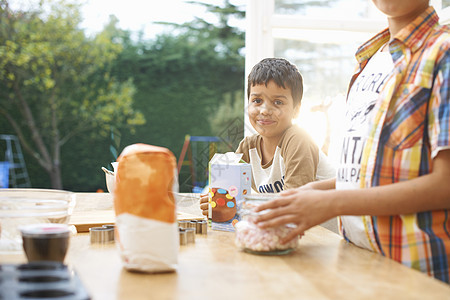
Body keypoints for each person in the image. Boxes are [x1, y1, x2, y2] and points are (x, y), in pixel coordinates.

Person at [254, 1, 450, 283]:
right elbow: (373, 173)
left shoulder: (443, 54)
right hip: (357, 262)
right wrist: (315, 190)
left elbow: (445, 184)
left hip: (419, 274)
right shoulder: (370, 61)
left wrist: (333, 202)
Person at [200, 58, 335, 216]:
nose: (264, 110)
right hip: (291, 229)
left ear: (296, 110)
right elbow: (227, 189)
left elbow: (292, 205)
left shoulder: (298, 140)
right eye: (257, 101)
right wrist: (216, 200)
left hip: (329, 235)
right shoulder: (248, 147)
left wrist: (239, 204)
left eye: (278, 102)